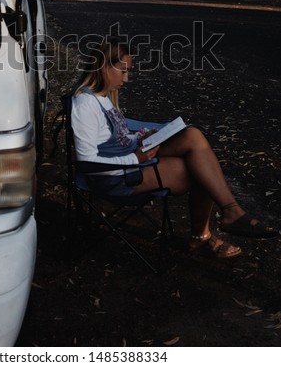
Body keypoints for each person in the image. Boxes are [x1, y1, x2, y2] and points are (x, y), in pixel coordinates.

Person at [71, 36, 279, 259]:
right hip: (115, 178)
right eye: (123, 71)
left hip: (128, 162)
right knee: (199, 168)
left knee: (193, 140)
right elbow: (86, 161)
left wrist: (139, 138)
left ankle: (224, 218)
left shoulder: (102, 98)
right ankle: (211, 229)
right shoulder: (85, 104)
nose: (127, 78)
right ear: (104, 67)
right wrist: (136, 159)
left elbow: (110, 139)